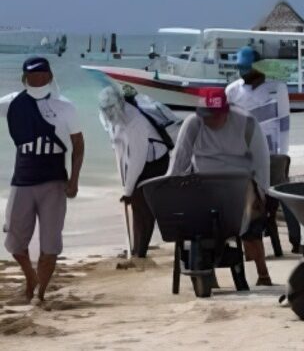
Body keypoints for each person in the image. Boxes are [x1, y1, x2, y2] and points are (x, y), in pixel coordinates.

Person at [167, 87, 272, 285]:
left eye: (215, 116)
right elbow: (178, 162)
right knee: (195, 221)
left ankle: (262, 273)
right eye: (206, 116)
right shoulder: (193, 124)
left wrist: (261, 192)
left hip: (240, 183)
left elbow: (261, 161)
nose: (210, 121)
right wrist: (170, 190)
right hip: (203, 182)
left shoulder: (246, 123)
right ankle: (206, 274)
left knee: (251, 213)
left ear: (226, 111)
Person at [0, 57, 84, 303]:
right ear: (24, 78)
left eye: (41, 74)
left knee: (50, 243)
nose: (36, 79)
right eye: (31, 75)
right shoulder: (12, 103)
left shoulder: (65, 106)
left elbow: (78, 144)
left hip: (54, 182)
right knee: (14, 242)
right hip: (22, 179)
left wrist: (74, 180)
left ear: (49, 75)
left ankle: (40, 293)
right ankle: (31, 277)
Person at [226, 46, 304, 254]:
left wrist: (284, 154)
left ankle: (296, 241)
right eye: (239, 68)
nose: (242, 73)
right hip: (244, 156)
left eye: (246, 68)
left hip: (273, 154)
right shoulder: (232, 91)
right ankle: (241, 241)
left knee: (285, 195)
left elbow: (284, 123)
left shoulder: (276, 88)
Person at [98, 85, 177, 258]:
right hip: (141, 161)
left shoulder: (135, 121)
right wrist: (127, 185)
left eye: (112, 109)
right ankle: (135, 248)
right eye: (106, 109)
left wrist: (127, 190)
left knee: (143, 208)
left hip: (155, 162)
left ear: (120, 103)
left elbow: (137, 159)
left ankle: (139, 252)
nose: (109, 112)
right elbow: (120, 148)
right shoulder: (111, 114)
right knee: (137, 205)